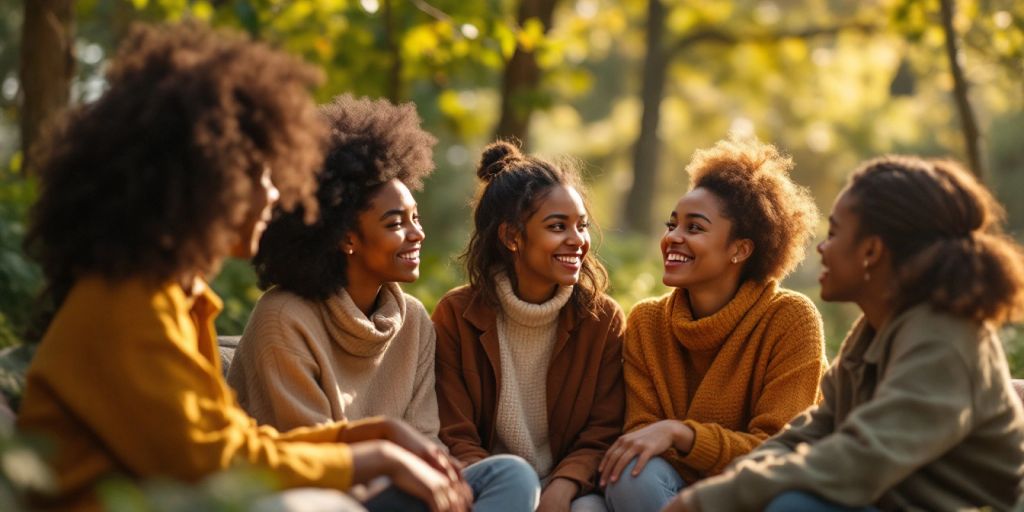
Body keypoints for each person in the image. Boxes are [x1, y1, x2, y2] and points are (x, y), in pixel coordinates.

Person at [16, 21, 468, 512]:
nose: (275, 197)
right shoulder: (127, 299)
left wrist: (371, 437)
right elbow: (212, 462)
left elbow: (234, 443)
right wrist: (369, 457)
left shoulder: (175, 298)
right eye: (262, 177)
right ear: (208, 180)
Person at [668, 156, 1024, 511]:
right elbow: (809, 432)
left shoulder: (945, 340)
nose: (822, 248)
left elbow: (859, 460)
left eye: (834, 233)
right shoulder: (874, 330)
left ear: (871, 251)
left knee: (795, 506)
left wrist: (711, 500)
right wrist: (726, 489)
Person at [600, 137, 827, 512]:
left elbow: (778, 449)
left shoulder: (791, 319)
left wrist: (682, 433)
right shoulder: (647, 322)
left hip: (760, 495)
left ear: (740, 249)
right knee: (628, 476)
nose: (673, 237)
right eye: (672, 224)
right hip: (666, 494)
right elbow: (640, 438)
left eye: (694, 228)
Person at [228, 95, 440, 444]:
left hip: (411, 486)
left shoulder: (414, 321)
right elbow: (314, 451)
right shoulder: (283, 317)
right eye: (396, 223)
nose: (417, 233)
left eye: (415, 217)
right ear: (346, 238)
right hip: (319, 490)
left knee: (509, 475)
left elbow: (427, 437)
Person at [434, 141, 626, 511]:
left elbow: (604, 429)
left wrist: (563, 486)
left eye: (581, 226)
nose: (577, 241)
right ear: (511, 237)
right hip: (489, 484)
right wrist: (509, 489)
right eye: (558, 226)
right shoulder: (456, 315)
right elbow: (453, 431)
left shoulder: (602, 320)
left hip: (567, 489)